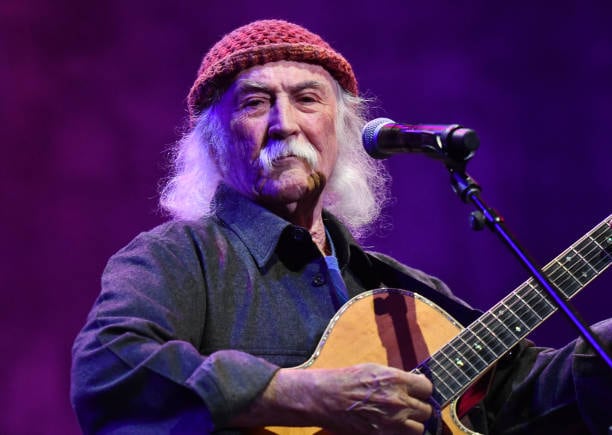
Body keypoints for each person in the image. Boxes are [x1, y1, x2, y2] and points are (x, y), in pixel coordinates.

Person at [71, 19, 611, 434]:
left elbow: (524, 395)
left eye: (308, 99)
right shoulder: (175, 259)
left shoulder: (403, 290)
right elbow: (110, 367)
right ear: (213, 140)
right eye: (255, 103)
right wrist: (307, 394)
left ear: (343, 128)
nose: (285, 123)